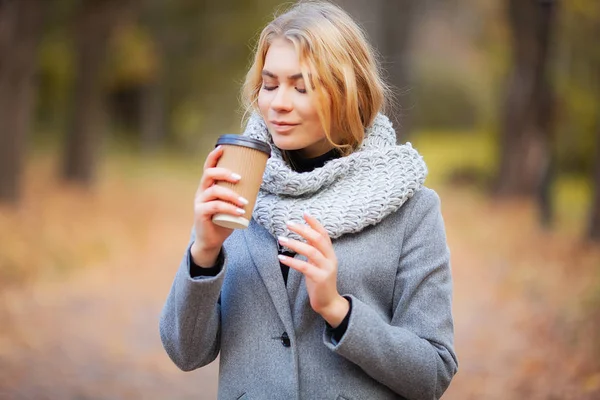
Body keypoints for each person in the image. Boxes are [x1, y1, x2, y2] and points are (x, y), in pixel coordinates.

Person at [159, 1, 457, 399]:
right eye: (269, 84)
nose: (279, 103)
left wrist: (339, 311)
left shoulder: (412, 209)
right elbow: (185, 352)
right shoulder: (239, 184)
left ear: (349, 92)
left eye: (302, 87)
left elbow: (433, 373)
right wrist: (205, 252)